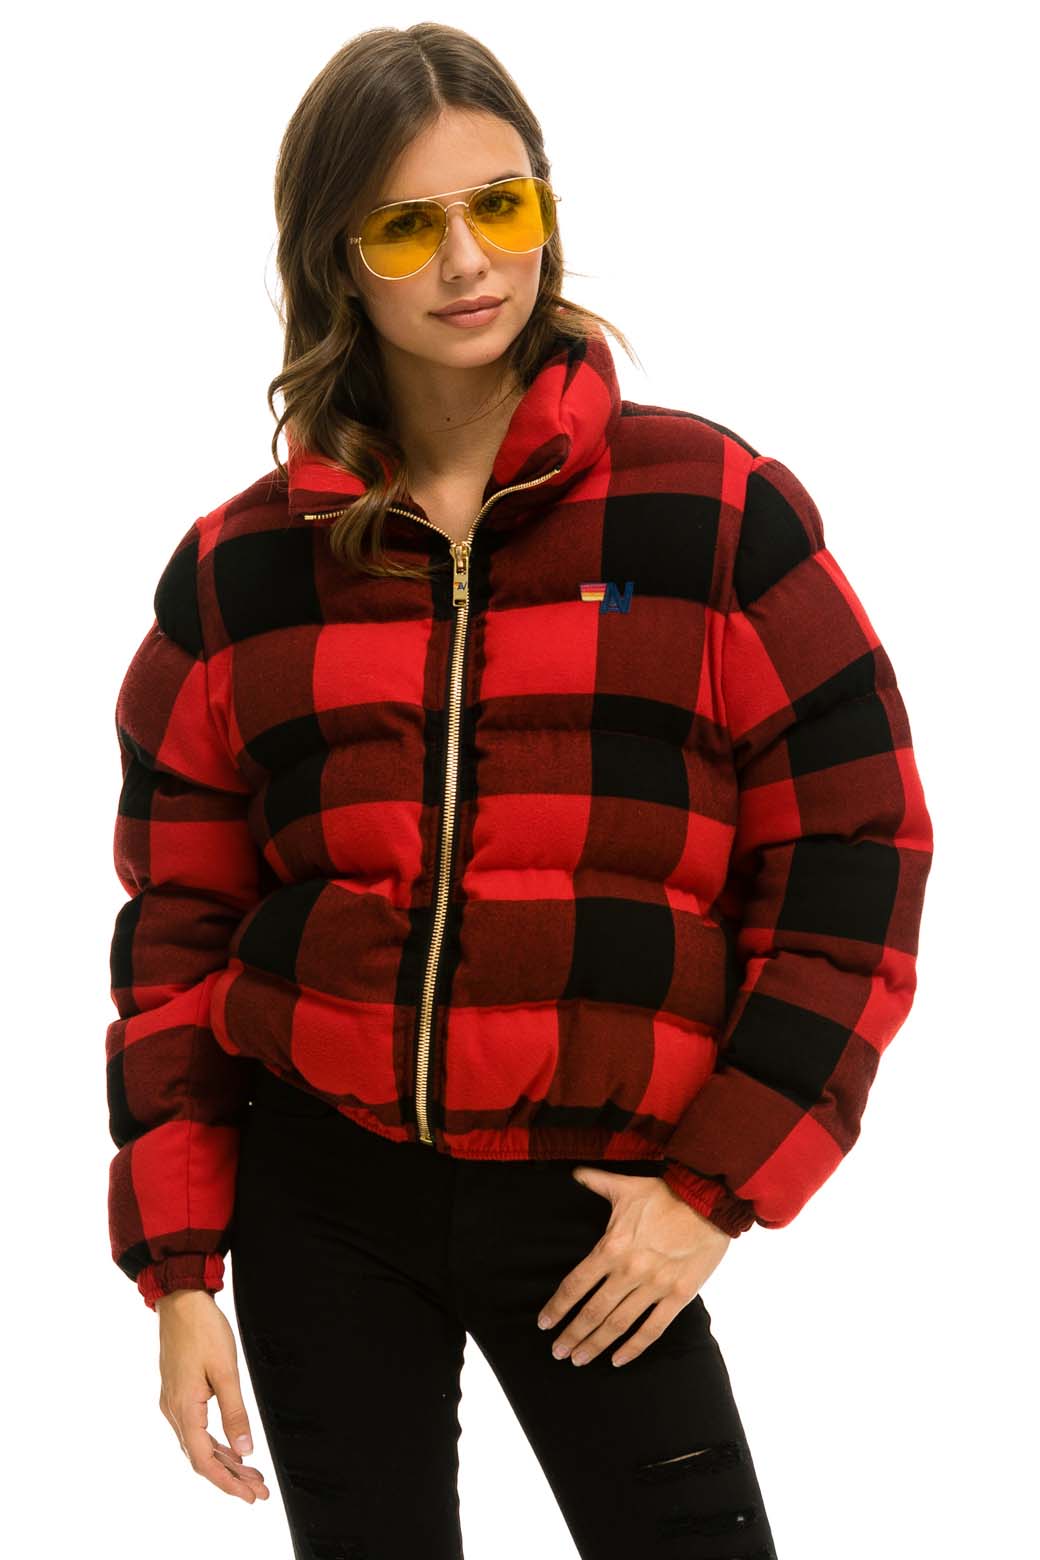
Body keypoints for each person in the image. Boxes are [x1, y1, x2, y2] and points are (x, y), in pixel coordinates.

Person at [104, 23, 933, 1560]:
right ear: (334, 259)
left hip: (596, 1202)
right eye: (405, 226)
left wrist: (716, 1186)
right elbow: (180, 925)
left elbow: (855, 857)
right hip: (319, 1197)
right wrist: (180, 1273)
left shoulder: (713, 512)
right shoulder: (241, 570)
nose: (468, 261)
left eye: (502, 204)